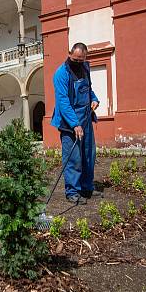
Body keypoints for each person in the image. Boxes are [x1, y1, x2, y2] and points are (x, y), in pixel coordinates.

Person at [50, 42, 101, 203]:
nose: (79, 63)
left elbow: (88, 89)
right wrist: (74, 124)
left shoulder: (85, 68)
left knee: (88, 155)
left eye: (82, 60)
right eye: (76, 59)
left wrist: (94, 99)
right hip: (69, 122)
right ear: (70, 53)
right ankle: (72, 192)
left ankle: (86, 188)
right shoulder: (61, 74)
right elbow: (63, 101)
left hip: (86, 118)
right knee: (73, 158)